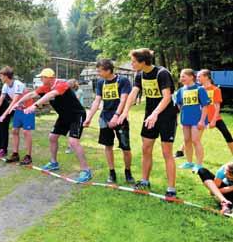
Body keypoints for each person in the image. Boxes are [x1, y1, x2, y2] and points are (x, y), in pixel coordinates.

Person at [118, 48, 178, 198]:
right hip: (150, 115)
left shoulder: (162, 73)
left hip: (166, 116)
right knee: (146, 148)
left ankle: (171, 189)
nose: (131, 64)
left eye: (133, 61)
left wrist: (155, 114)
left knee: (167, 152)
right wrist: (124, 112)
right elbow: (133, 94)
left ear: (143, 62)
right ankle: (145, 181)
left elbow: (167, 97)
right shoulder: (140, 74)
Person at [21, 68, 93, 182]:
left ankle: (86, 170)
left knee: (73, 142)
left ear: (49, 78)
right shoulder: (46, 87)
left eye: (42, 77)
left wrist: (34, 106)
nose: (41, 79)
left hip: (76, 115)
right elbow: (32, 94)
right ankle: (54, 163)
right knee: (52, 137)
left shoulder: (61, 84)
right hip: (64, 116)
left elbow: (52, 94)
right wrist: (18, 102)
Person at [83, 59, 135, 184]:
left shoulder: (122, 81)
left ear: (108, 70)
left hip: (120, 118)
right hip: (104, 118)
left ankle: (128, 172)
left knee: (126, 148)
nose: (98, 73)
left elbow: (123, 100)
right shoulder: (101, 82)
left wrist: (116, 116)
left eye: (99, 71)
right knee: (108, 146)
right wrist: (89, 118)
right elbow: (97, 101)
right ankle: (112, 173)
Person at [0, 67, 35, 165]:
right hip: (18, 109)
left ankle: (28, 156)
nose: (0, 77)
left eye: (1, 75)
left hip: (27, 108)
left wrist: (4, 115)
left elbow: (14, 101)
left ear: (6, 76)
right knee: (14, 131)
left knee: (26, 131)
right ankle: (15, 154)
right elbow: (1, 99)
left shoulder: (18, 84)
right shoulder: (5, 86)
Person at [175, 69, 209, 171]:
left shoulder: (200, 89)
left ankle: (199, 165)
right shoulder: (181, 90)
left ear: (191, 77)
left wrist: (202, 121)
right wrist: (179, 119)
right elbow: (179, 106)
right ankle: (189, 162)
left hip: (197, 120)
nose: (181, 79)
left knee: (195, 140)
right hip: (185, 120)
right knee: (186, 141)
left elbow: (205, 106)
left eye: (183, 76)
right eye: (181, 77)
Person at [198, 69, 233, 155]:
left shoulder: (216, 89)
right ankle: (182, 151)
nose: (197, 78)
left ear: (206, 77)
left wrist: (214, 120)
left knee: (227, 135)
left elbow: (217, 106)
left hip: (215, 118)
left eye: (199, 76)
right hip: (202, 118)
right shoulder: (198, 90)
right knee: (194, 137)